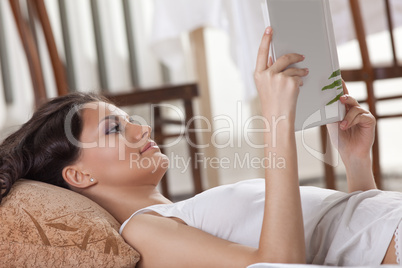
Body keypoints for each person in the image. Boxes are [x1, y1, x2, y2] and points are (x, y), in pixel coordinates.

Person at [0, 26, 400, 267]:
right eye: (113, 129)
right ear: (79, 174)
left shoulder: (177, 213)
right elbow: (276, 265)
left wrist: (356, 165)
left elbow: (355, 234)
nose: (140, 129)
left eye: (130, 119)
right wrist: (277, 118)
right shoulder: (141, 232)